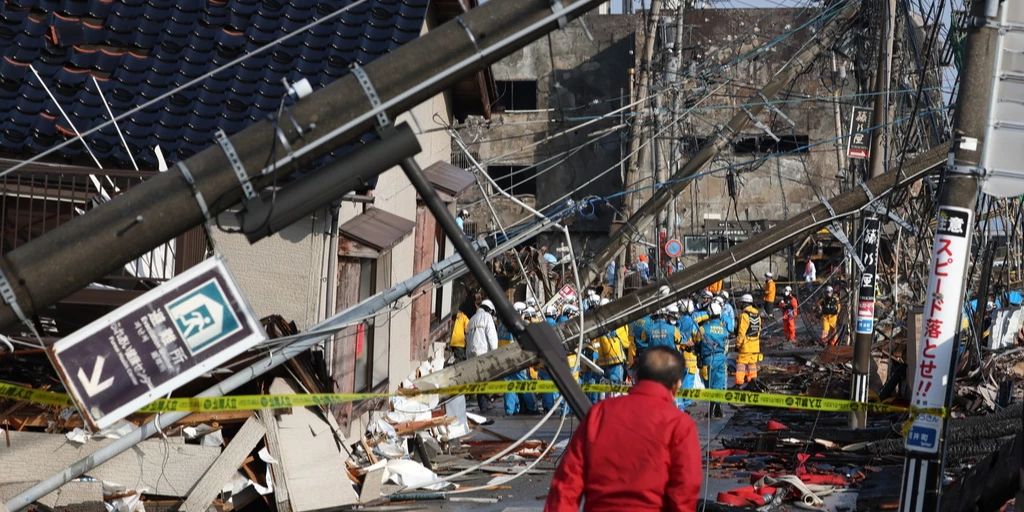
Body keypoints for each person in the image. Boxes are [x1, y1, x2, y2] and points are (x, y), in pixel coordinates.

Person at [545, 348, 702, 511]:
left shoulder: (599, 413)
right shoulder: (680, 424)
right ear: (677, 384)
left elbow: (567, 483)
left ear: (635, 377)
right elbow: (685, 488)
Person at [467, 300, 498, 412]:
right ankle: (486, 404)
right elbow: (492, 337)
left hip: (472, 354)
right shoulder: (487, 317)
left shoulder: (471, 319)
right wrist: (495, 353)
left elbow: (468, 340)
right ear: (489, 310)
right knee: (486, 378)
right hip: (483, 353)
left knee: (479, 380)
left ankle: (484, 404)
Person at [699, 301, 730, 418]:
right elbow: (726, 342)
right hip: (721, 359)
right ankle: (718, 407)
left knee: (709, 386)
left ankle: (712, 408)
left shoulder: (703, 328)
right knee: (719, 384)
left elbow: (697, 341)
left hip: (707, 361)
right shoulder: (724, 329)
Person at [734, 294, 761, 386]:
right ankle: (753, 382)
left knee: (741, 365)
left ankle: (739, 383)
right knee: (752, 365)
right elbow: (758, 330)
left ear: (744, 303)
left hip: (746, 346)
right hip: (755, 346)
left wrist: (737, 345)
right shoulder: (757, 314)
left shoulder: (744, 315)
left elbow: (741, 332)